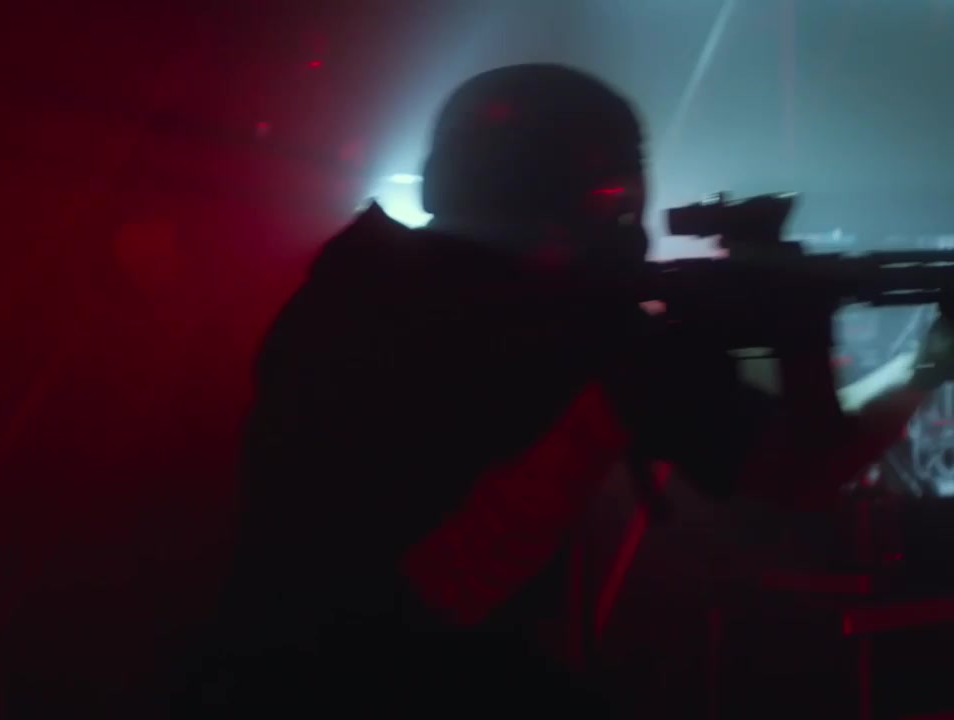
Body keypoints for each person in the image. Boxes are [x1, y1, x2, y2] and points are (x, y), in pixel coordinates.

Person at [172, 64, 954, 717]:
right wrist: (926, 361)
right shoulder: (585, 335)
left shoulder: (356, 280)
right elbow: (808, 470)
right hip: (401, 677)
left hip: (261, 673)